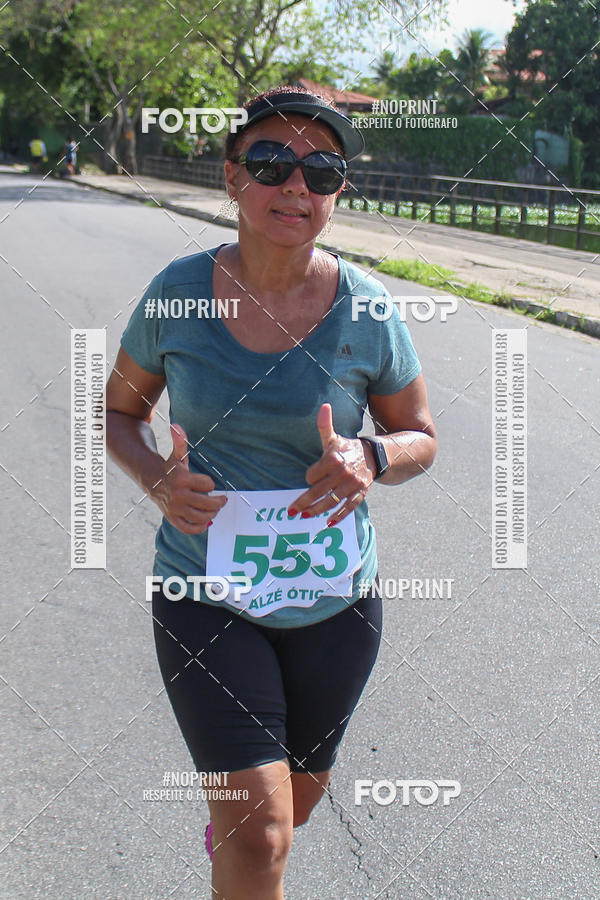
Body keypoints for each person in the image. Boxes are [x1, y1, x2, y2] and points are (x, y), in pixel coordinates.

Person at [106, 85, 437, 900]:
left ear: (338, 194)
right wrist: (158, 479)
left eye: (321, 171)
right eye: (271, 163)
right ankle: (244, 839)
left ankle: (240, 836)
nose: (296, 185)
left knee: (296, 806)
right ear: (231, 178)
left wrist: (371, 456)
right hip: (205, 592)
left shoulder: (368, 307)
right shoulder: (177, 295)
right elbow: (118, 411)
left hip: (334, 602)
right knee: (263, 834)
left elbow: (421, 434)